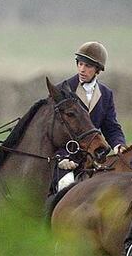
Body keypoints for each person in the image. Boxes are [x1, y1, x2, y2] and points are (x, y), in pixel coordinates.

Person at [54, 41, 126, 192]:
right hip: (63, 160)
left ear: (98, 70)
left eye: (88, 66)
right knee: (65, 186)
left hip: (92, 159)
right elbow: (52, 130)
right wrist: (62, 157)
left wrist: (118, 144)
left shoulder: (106, 94)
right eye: (80, 64)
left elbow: (111, 127)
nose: (82, 69)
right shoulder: (62, 90)